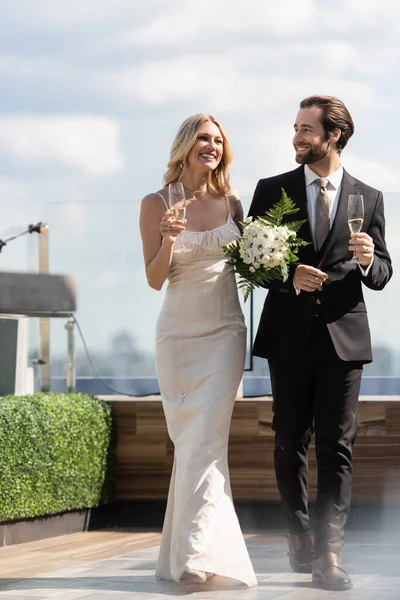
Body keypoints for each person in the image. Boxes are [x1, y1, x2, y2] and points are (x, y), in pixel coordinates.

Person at [248, 95, 392, 591]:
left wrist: (372, 258)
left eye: (307, 130)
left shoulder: (368, 198)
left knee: (337, 447)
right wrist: (289, 275)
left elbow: (382, 274)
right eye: (295, 128)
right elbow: (250, 262)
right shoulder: (271, 190)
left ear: (333, 136)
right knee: (290, 440)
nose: (297, 137)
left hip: (344, 339)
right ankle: (299, 533)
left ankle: (329, 553)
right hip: (288, 338)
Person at [139, 114, 257, 587]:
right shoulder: (155, 202)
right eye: (203, 138)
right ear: (186, 145)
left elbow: (254, 265)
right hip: (178, 339)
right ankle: (191, 551)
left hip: (226, 332)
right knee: (192, 444)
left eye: (217, 140)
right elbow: (153, 279)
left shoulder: (233, 202)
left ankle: (192, 555)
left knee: (207, 441)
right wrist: (168, 239)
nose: (211, 145)